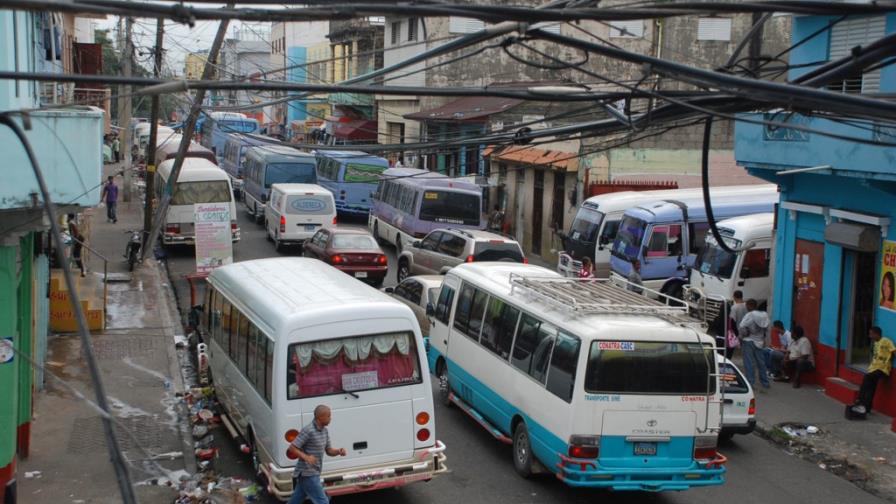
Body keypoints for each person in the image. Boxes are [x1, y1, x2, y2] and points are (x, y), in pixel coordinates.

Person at [287, 405, 347, 504]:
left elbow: (329, 450)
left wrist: (338, 451)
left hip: (313, 472)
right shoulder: (308, 430)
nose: (330, 418)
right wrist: (306, 457)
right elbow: (292, 448)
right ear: (320, 417)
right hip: (307, 473)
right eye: (328, 416)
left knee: (295, 500)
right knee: (323, 501)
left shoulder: (325, 431)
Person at [851, 327, 895, 416]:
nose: (870, 336)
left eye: (871, 334)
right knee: (871, 387)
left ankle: (861, 402)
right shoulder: (875, 343)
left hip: (882, 368)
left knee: (867, 380)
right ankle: (867, 407)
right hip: (873, 368)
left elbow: (893, 350)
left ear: (877, 334)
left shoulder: (886, 341)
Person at [739, 298, 771, 391]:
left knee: (749, 363)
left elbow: (742, 326)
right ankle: (765, 382)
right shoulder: (764, 315)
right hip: (759, 341)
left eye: (747, 306)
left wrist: (743, 335)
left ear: (749, 306)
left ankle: (750, 383)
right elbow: (766, 329)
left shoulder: (750, 315)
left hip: (748, 341)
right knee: (761, 363)